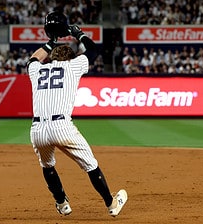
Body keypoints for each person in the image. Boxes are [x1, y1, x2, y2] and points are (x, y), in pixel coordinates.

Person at [26, 18, 128, 217]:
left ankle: (62, 203)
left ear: (52, 57)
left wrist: (51, 41)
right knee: (90, 165)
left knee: (47, 166)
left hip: (37, 130)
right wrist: (78, 33)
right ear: (70, 58)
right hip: (62, 127)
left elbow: (32, 59)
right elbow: (92, 51)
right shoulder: (72, 67)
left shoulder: (36, 70)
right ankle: (111, 204)